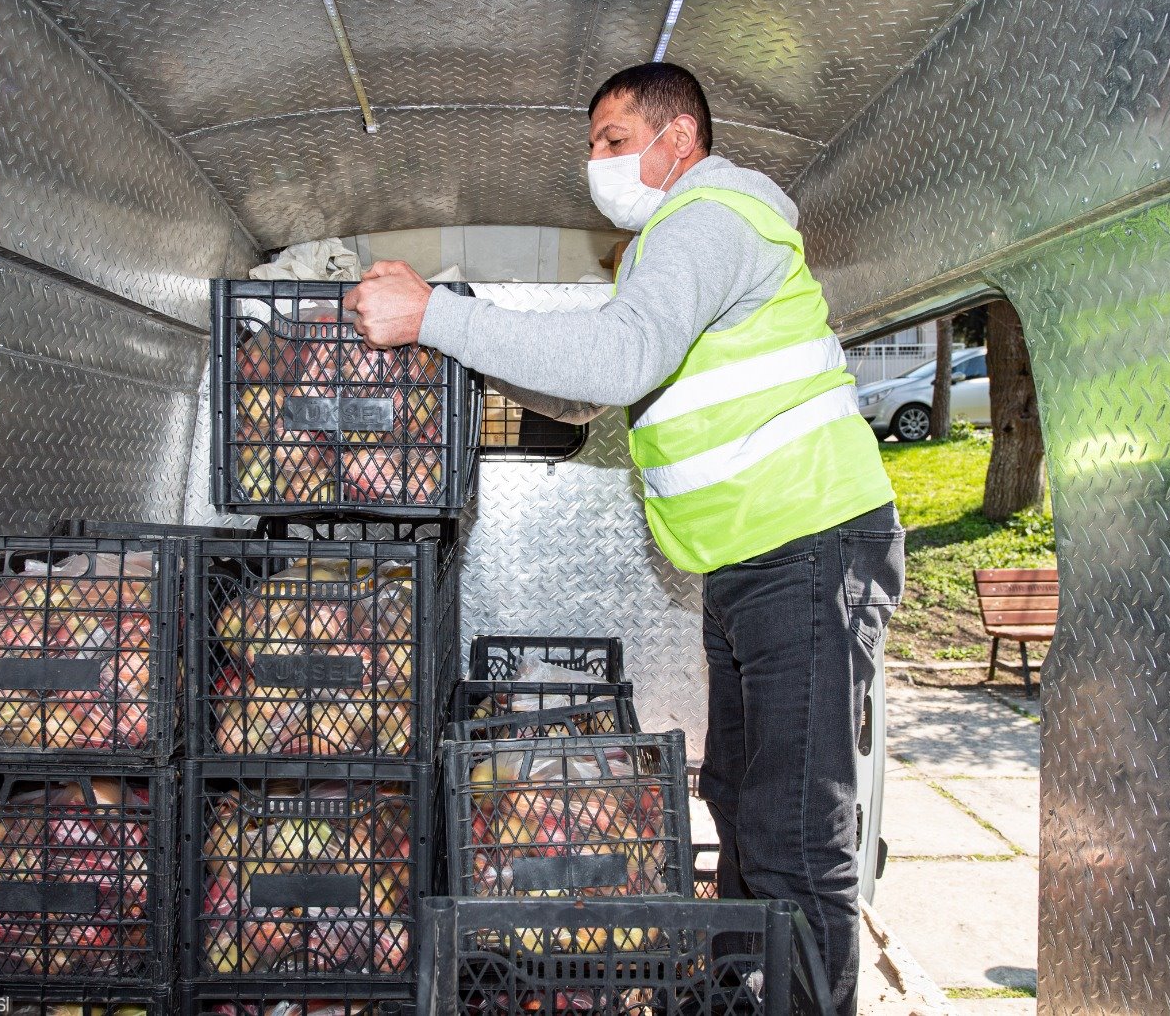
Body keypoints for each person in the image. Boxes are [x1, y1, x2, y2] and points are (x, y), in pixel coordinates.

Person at [345, 62, 903, 1015]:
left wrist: (436, 313)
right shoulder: (662, 251)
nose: (594, 163)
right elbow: (579, 392)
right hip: (753, 565)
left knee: (798, 835)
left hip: (812, 547)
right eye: (593, 145)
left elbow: (617, 359)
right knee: (736, 802)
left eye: (612, 141)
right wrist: (451, 337)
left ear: (677, 140)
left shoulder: (713, 218)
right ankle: (737, 993)